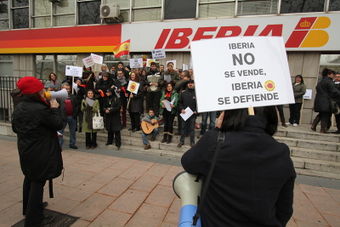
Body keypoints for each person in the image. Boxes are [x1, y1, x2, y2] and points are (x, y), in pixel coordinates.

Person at [181, 106, 296, 227]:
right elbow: (285, 209)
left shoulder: (215, 141)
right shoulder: (281, 152)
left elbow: (188, 162)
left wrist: (216, 129)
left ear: (230, 114)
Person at [12, 77, 63, 226]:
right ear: (34, 92)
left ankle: (27, 209)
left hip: (26, 150)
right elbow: (57, 124)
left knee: (29, 177)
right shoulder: (40, 109)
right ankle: (34, 219)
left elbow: (15, 128)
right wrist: (54, 109)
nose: (43, 91)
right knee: (38, 182)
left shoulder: (20, 106)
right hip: (41, 152)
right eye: (40, 89)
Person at [312, 68, 340, 133]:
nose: (334, 76)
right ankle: (323, 129)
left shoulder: (321, 81)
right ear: (329, 74)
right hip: (326, 101)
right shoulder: (329, 81)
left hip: (319, 101)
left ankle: (313, 125)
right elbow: (334, 91)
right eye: (333, 74)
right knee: (325, 115)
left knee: (321, 113)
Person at [58, 82, 79, 149]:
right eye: (65, 89)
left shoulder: (73, 96)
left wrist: (74, 115)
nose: (67, 90)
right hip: (62, 117)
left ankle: (72, 143)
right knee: (60, 132)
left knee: (72, 132)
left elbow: (77, 106)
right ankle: (59, 145)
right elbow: (56, 107)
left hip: (72, 117)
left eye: (68, 89)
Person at [177, 80, 197, 148]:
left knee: (192, 129)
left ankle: (192, 142)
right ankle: (181, 141)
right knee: (183, 128)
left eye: (192, 83)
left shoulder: (196, 93)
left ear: (194, 84)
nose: (190, 84)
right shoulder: (183, 93)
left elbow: (199, 104)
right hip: (185, 114)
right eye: (189, 83)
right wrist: (181, 109)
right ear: (187, 84)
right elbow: (180, 103)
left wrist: (196, 111)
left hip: (193, 114)